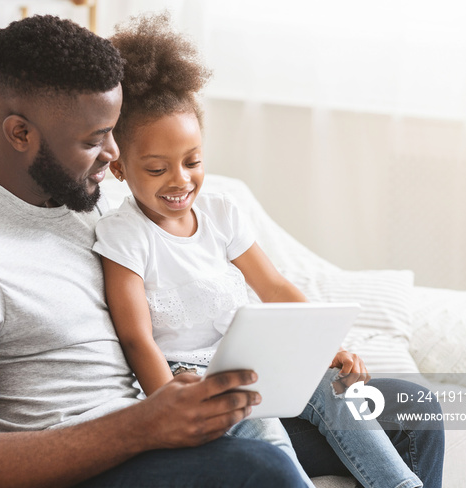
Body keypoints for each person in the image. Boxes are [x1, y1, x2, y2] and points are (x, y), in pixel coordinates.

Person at [0, 13, 312, 488]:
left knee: (387, 411)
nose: (113, 155)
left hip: (160, 427)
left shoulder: (84, 199)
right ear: (20, 133)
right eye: (94, 140)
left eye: (113, 130)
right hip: (90, 467)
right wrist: (147, 423)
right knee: (262, 469)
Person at [94, 13, 445, 488]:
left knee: (333, 391)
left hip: (256, 361)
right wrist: (168, 410)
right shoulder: (124, 235)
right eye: (157, 169)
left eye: (193, 161)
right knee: (261, 429)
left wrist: (331, 349)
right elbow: (136, 338)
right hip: (193, 383)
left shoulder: (221, 212)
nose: (180, 180)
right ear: (120, 169)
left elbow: (274, 285)